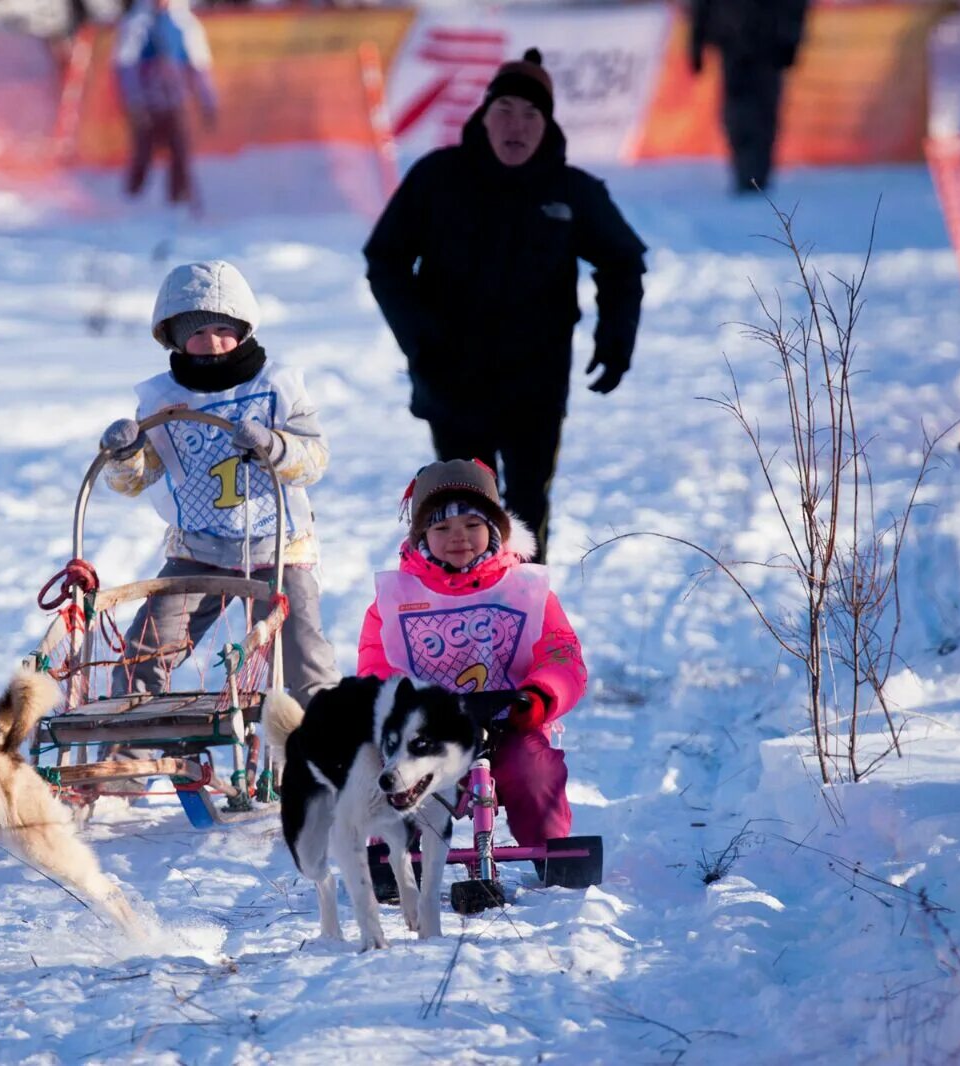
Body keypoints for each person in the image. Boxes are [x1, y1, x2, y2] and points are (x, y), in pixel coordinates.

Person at [363, 48, 647, 564]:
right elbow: (384, 259)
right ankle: (460, 614)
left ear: (547, 124)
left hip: (535, 379)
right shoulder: (438, 178)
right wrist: (420, 338)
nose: (517, 125)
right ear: (483, 116)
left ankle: (526, 618)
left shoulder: (569, 189)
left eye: (531, 114)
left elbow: (624, 261)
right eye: (506, 111)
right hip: (449, 372)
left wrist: (616, 335)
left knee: (525, 507)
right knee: (460, 505)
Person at [100, 260, 341, 709]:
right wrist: (125, 454)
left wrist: (276, 445)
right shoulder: (162, 400)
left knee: (305, 660)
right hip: (197, 553)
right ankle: (130, 756)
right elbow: (136, 480)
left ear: (243, 328)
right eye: (195, 332)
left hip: (278, 552)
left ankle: (328, 748)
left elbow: (315, 461)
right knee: (146, 653)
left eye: (220, 329)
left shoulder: (277, 385)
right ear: (173, 338)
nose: (211, 342)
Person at [356, 459, 587, 848]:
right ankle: (392, 850)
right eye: (441, 527)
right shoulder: (397, 600)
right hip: (424, 732)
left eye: (473, 525)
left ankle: (548, 845)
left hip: (509, 722)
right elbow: (376, 664)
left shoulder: (525, 591)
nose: (457, 537)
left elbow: (561, 654)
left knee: (533, 770)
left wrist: (541, 696)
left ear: (496, 528)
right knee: (388, 771)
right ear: (421, 535)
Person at [689, 0, 809, 194]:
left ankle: (755, 173)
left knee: (761, 113)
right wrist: (696, 42)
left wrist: (791, 37)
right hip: (737, 42)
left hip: (767, 43)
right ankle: (748, 172)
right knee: (742, 113)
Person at [113, 0, 218, 210]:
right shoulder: (137, 24)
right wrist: (133, 100)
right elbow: (125, 67)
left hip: (176, 101)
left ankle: (177, 204)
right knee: (143, 154)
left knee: (180, 154)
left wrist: (208, 100)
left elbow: (199, 67)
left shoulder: (185, 23)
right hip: (147, 103)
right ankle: (131, 202)